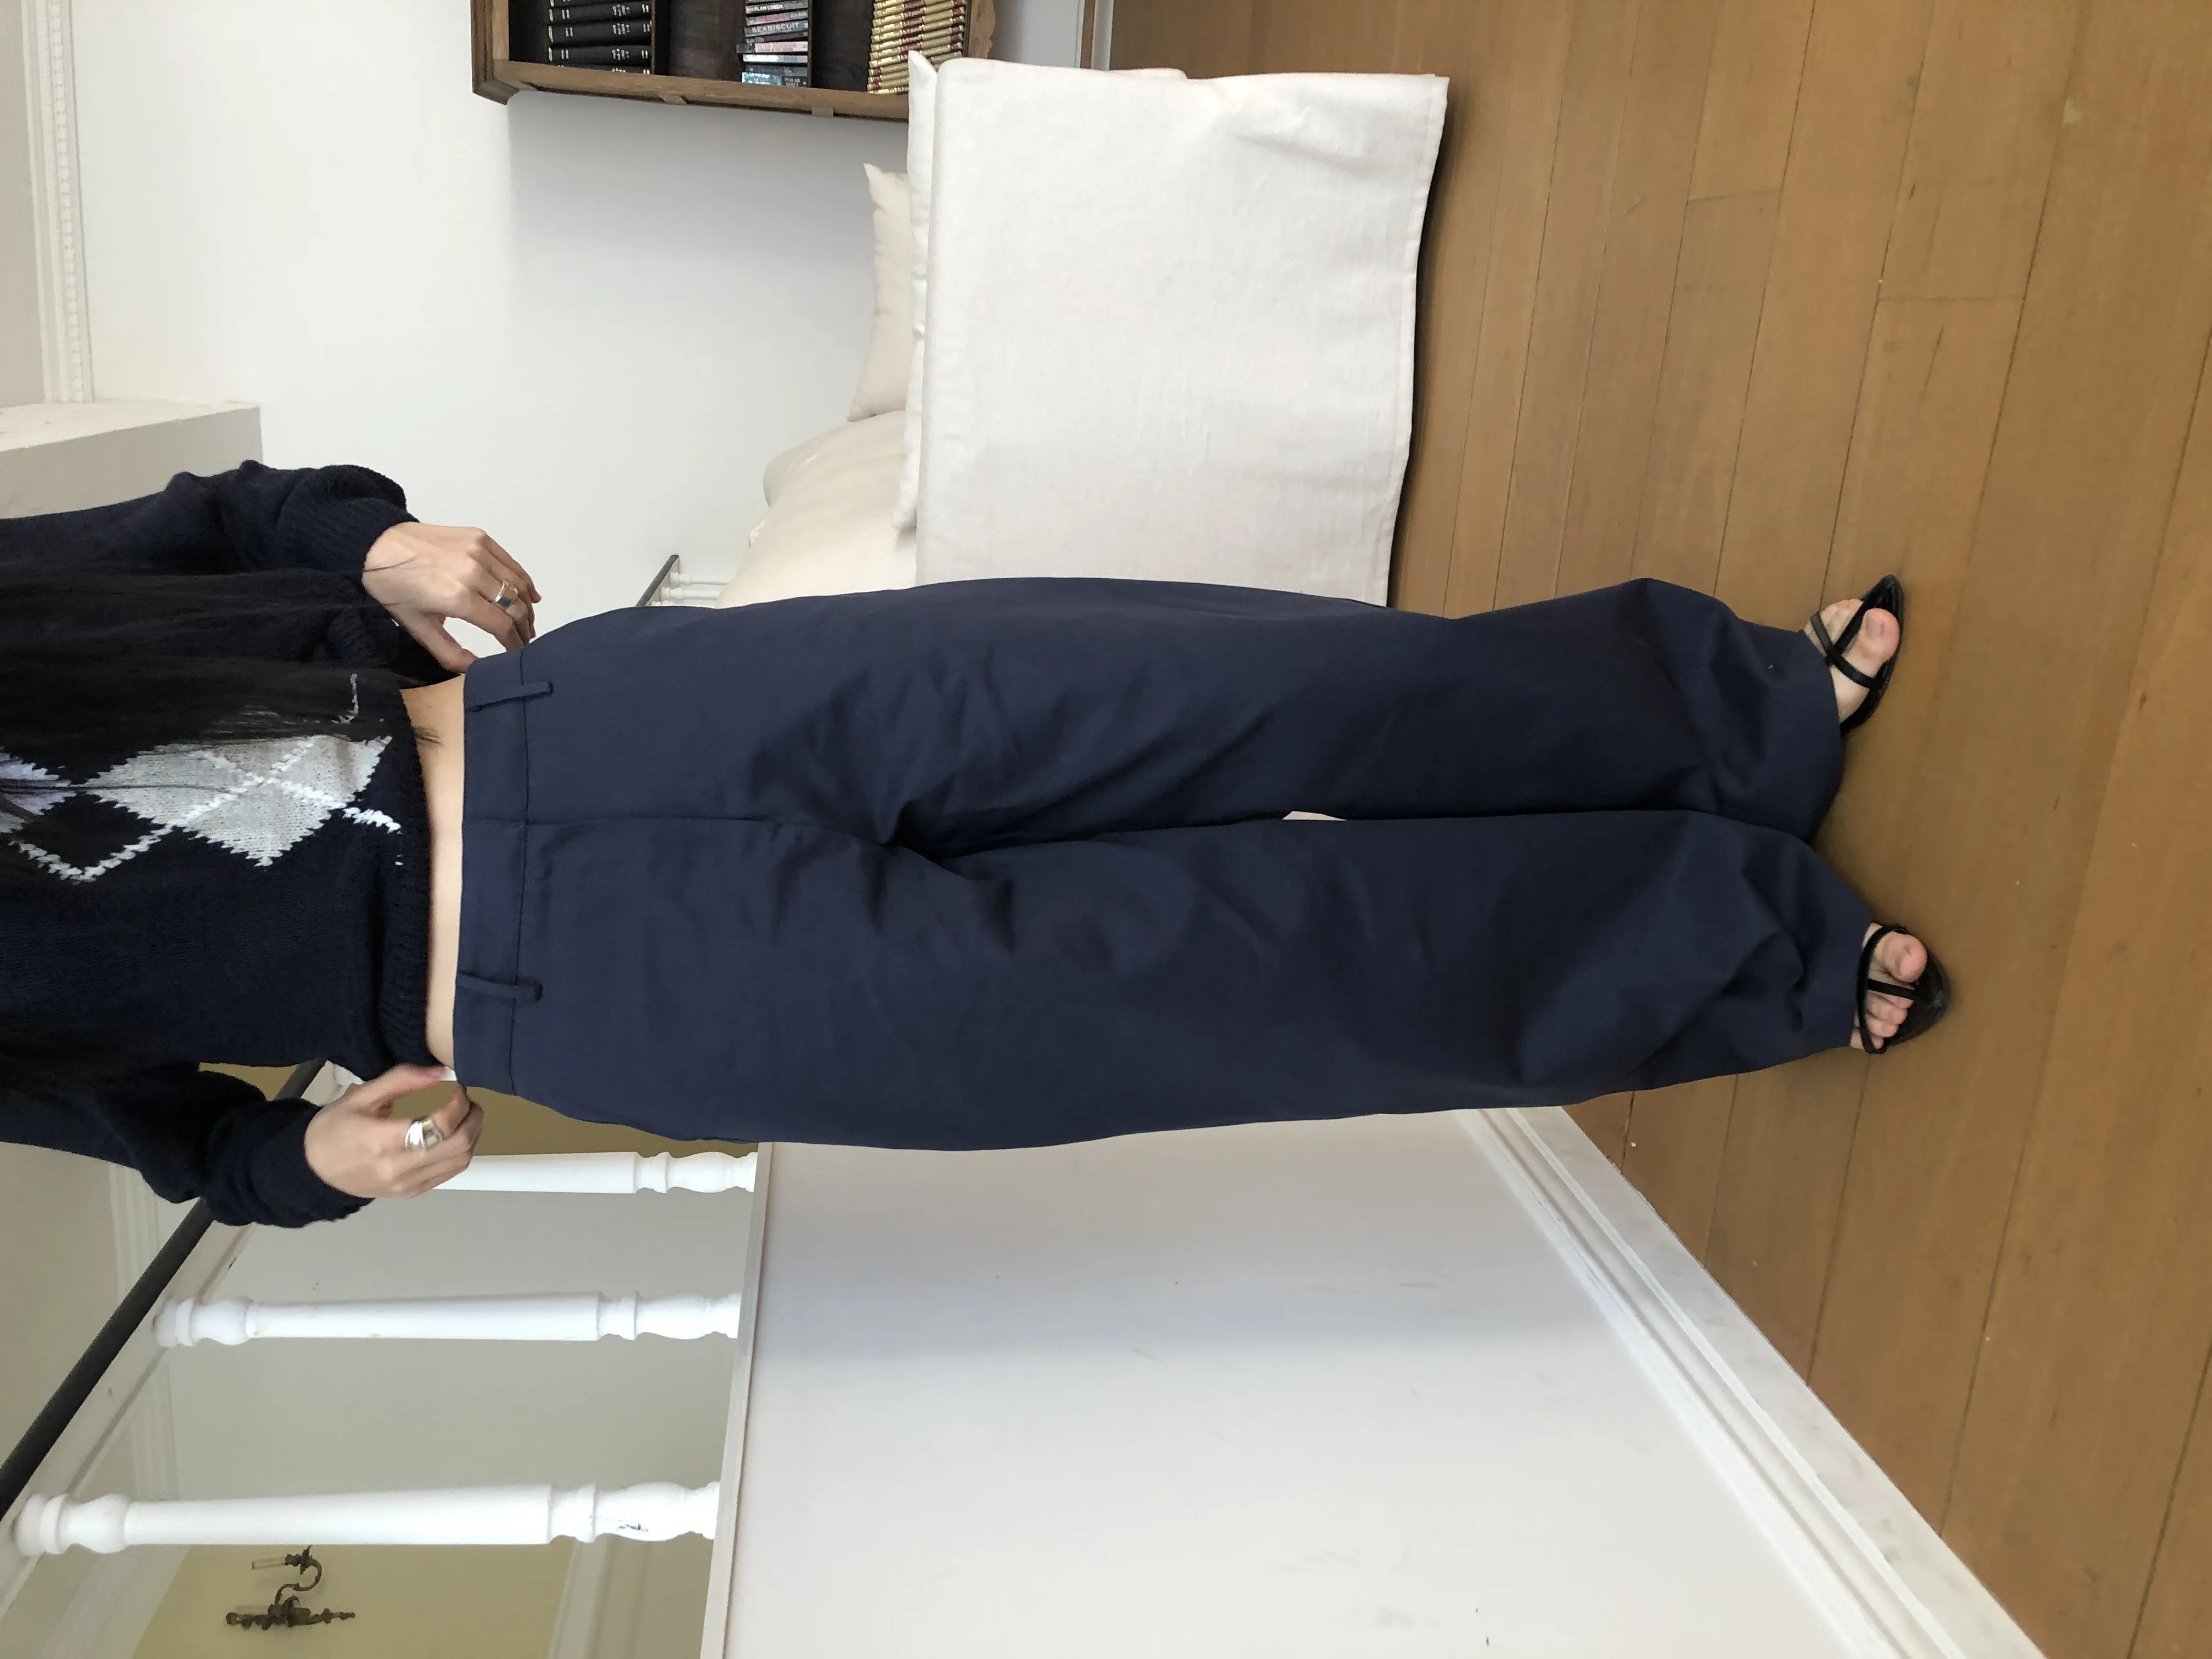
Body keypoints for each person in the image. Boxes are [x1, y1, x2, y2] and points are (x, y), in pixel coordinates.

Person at [2, 463, 1946, 1229]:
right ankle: (1742, 949)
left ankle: (1735, 716)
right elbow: (180, 1143)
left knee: (1249, 684)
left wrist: (370, 542)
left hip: (603, 721)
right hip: (618, 991)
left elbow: (215, 522)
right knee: (1259, 985)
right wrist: (311, 1164)